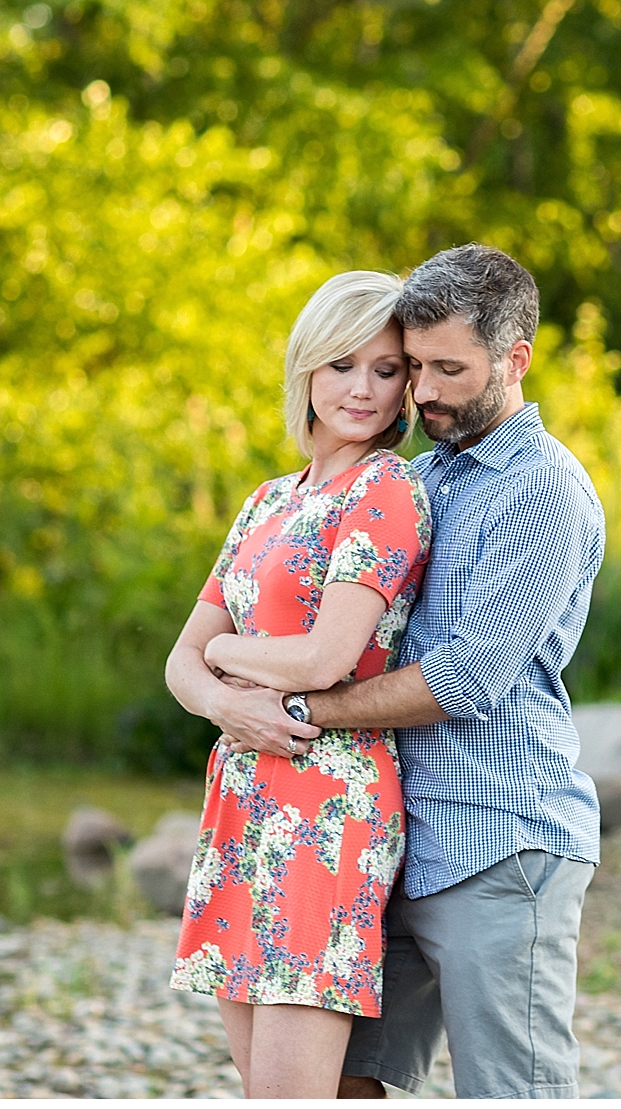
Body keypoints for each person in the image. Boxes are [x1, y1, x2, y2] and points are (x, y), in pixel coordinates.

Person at [268, 243, 606, 1099]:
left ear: (515, 359)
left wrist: (303, 704)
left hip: (499, 840)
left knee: (512, 1091)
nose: (421, 393)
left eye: (448, 369)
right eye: (413, 367)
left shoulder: (543, 490)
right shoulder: (418, 478)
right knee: (354, 1082)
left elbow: (466, 680)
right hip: (392, 839)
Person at [162, 269, 432, 1099]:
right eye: (342, 365)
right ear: (307, 369)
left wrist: (230, 657)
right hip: (242, 797)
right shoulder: (268, 501)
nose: (362, 389)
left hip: (326, 808)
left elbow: (327, 659)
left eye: (387, 371)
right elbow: (179, 661)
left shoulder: (384, 490)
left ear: (407, 388)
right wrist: (222, 700)